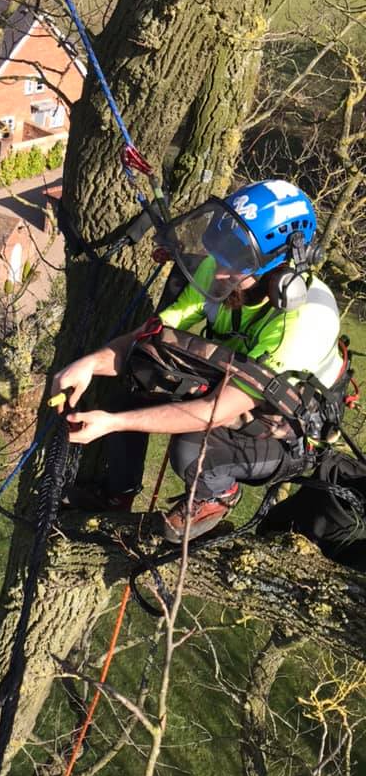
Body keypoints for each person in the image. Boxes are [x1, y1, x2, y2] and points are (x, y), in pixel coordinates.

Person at [51, 179, 344, 542]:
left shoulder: (304, 320)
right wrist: (89, 364)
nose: (219, 271)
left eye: (236, 265)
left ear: (280, 268)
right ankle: (117, 494)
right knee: (137, 379)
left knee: (191, 448)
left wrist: (113, 424)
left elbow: (215, 411)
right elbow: (152, 336)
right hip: (234, 382)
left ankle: (217, 493)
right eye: (220, 254)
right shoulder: (221, 268)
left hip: (284, 427)